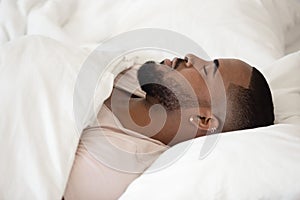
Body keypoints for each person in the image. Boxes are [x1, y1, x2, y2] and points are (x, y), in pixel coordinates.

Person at [63, 54, 274, 199]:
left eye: (208, 70)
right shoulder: (129, 72)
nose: (191, 57)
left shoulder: (112, 167)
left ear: (204, 120)